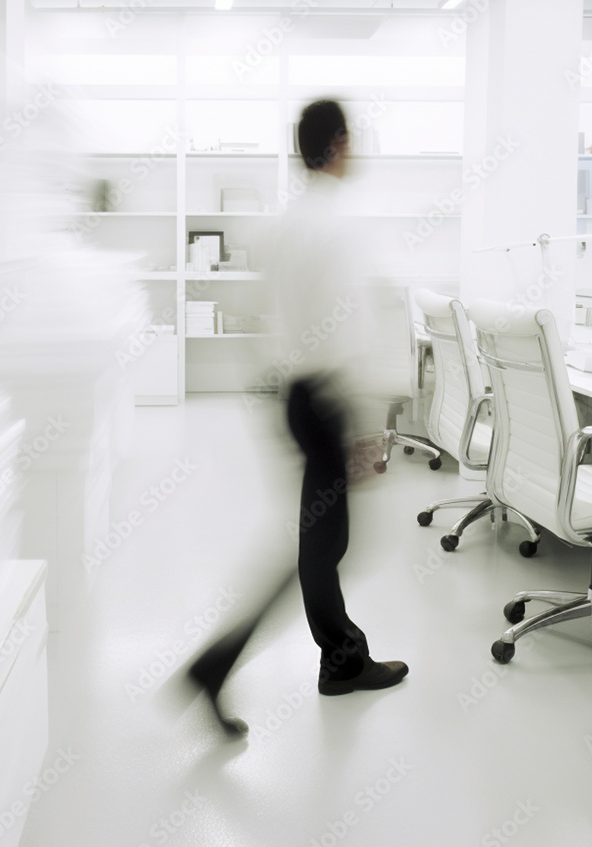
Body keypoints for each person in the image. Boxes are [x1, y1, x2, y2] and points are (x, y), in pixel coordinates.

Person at [184, 99, 408, 737]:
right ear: (337, 144)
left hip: (295, 396)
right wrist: (364, 421)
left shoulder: (283, 223)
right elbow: (347, 330)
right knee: (319, 547)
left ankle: (339, 659)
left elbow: (257, 314)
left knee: (322, 544)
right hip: (329, 396)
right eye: (353, 138)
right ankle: (225, 664)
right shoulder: (337, 225)